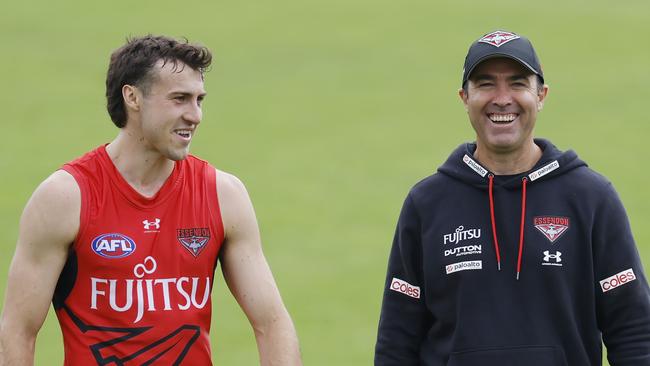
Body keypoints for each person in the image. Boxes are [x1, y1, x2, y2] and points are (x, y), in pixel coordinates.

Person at [0, 35, 302, 365]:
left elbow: (272, 324)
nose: (196, 115)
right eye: (180, 99)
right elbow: (17, 331)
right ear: (132, 97)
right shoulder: (65, 198)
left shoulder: (223, 195)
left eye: (199, 100)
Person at [374, 30, 650, 365]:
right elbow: (397, 341)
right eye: (486, 83)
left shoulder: (591, 198)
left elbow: (635, 331)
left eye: (518, 83)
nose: (502, 98)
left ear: (541, 95)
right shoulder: (426, 204)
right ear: (464, 97)